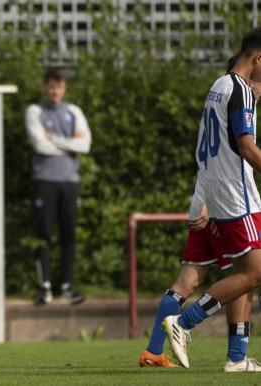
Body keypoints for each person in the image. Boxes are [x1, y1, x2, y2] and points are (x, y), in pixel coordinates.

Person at [165, 28, 261, 370]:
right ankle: (184, 322)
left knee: (243, 275)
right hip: (238, 196)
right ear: (258, 59)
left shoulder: (220, 86)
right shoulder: (240, 92)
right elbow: (248, 148)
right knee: (255, 273)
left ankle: (236, 358)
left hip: (220, 192)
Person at [140, 186, 257, 370]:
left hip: (203, 206)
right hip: (226, 208)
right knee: (248, 275)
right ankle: (236, 357)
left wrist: (203, 203)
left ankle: (153, 352)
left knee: (186, 281)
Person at [25, 68, 92, 305]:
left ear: (64, 89)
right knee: (43, 235)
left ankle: (66, 287)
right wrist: (68, 144)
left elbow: (84, 145)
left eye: (59, 87)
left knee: (69, 235)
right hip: (45, 181)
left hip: (69, 182)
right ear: (45, 88)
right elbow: (39, 145)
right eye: (51, 87)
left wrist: (53, 138)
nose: (55, 91)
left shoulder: (73, 111)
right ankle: (44, 287)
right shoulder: (35, 111)